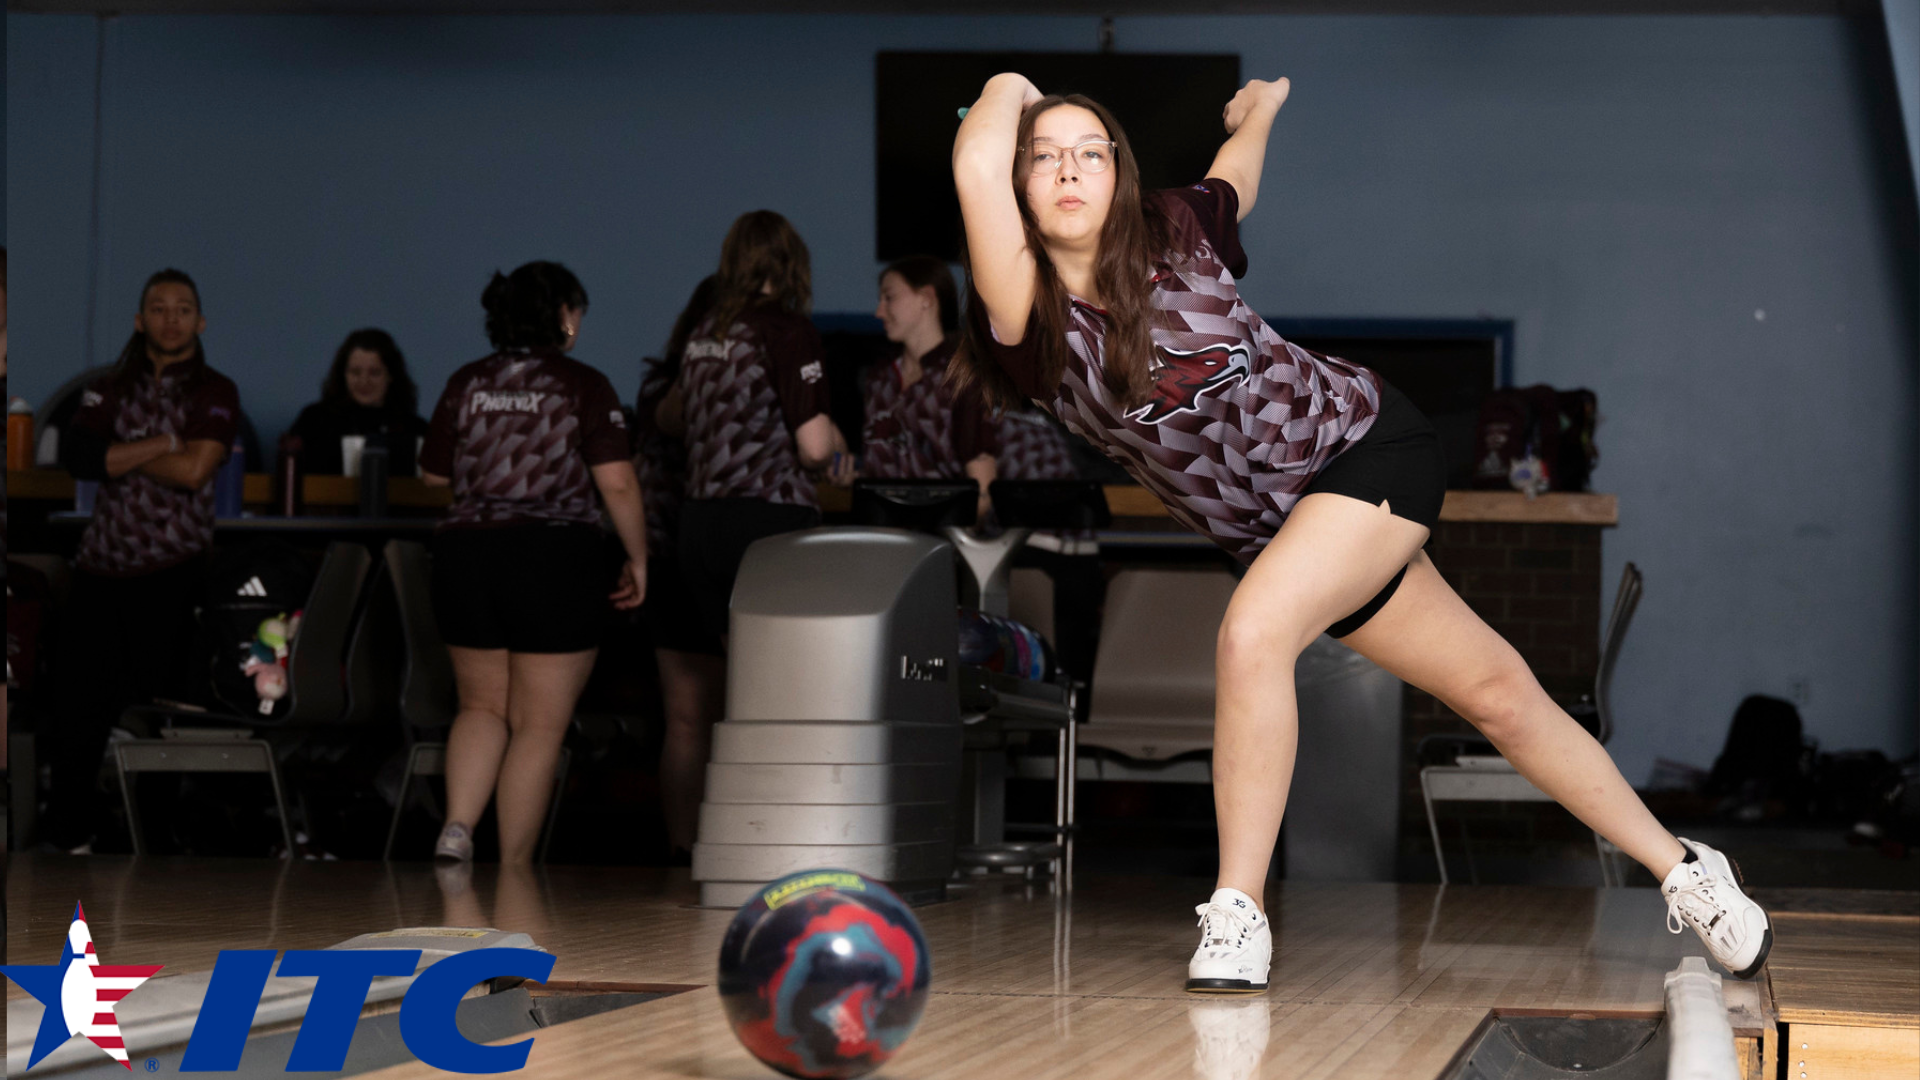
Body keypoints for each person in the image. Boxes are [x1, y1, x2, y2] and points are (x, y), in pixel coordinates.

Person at [951, 74, 1771, 993]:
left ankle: (1238, 912)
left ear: (1120, 175)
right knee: (1500, 696)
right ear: (1020, 189)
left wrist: (1258, 110)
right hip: (1286, 531)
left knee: (1252, 635)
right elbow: (974, 156)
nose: (1068, 170)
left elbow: (1238, 177)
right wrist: (1011, 88)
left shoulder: (1176, 226)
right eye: (1045, 157)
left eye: (1089, 153)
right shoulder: (1028, 323)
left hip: (1366, 446)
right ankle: (1687, 869)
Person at [420, 261, 648, 865]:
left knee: (481, 707)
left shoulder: (466, 381)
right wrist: (638, 556)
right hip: (554, 557)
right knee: (539, 725)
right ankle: (514, 868)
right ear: (564, 315)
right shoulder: (584, 384)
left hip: (466, 556)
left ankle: (457, 829)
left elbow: (433, 473)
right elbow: (618, 484)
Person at [47, 268, 241, 851]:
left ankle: (154, 841)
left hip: (173, 570)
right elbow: (80, 457)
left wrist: (119, 455)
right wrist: (159, 443)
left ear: (200, 322)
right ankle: (66, 836)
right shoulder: (111, 385)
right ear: (139, 320)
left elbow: (195, 470)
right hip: (100, 566)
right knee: (77, 708)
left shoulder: (214, 390)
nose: (171, 318)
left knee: (162, 708)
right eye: (159, 308)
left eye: (183, 309)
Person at [659, 210, 846, 645]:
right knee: (780, 672)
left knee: (740, 676)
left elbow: (669, 418)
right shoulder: (787, 329)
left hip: (700, 525)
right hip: (766, 522)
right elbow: (816, 449)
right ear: (790, 261)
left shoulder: (706, 331)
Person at [633, 276, 727, 855]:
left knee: (688, 718)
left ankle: (686, 852)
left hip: (670, 552)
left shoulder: (660, 384)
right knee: (708, 717)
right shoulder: (681, 388)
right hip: (700, 551)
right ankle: (700, 851)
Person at [830, 256, 998, 519]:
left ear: (926, 298)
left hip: (940, 539)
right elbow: (896, 472)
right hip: (883, 537)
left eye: (889, 297)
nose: (878, 311)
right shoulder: (879, 379)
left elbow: (983, 489)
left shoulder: (963, 376)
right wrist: (857, 479)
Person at [286, 329, 429, 476]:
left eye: (374, 373)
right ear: (343, 374)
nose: (363, 381)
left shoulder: (414, 429)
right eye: (355, 372)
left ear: (391, 375)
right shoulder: (313, 421)